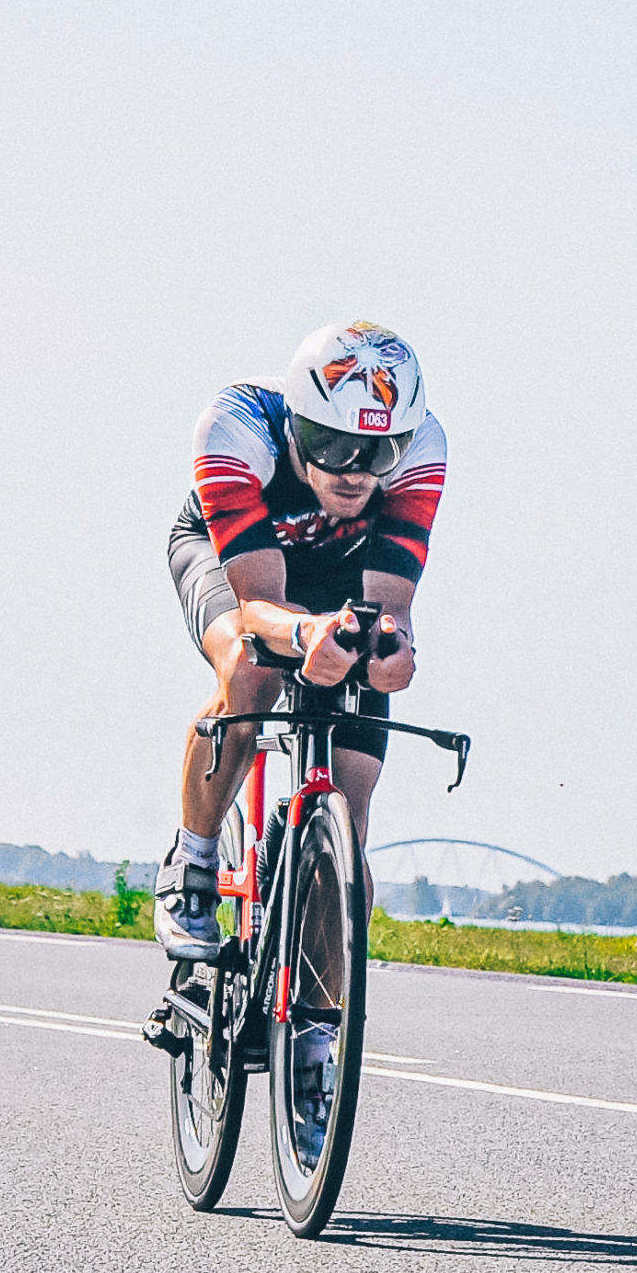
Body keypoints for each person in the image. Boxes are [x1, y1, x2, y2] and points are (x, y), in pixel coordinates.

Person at [154, 321, 447, 959]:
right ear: (296, 423)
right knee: (251, 666)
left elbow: (393, 606)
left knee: (353, 794)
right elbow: (259, 603)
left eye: (378, 454)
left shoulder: (425, 445)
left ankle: (318, 1027)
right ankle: (194, 865)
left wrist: (394, 652)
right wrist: (304, 631)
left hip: (338, 572)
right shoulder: (234, 426)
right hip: (232, 555)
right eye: (330, 445)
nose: (354, 473)